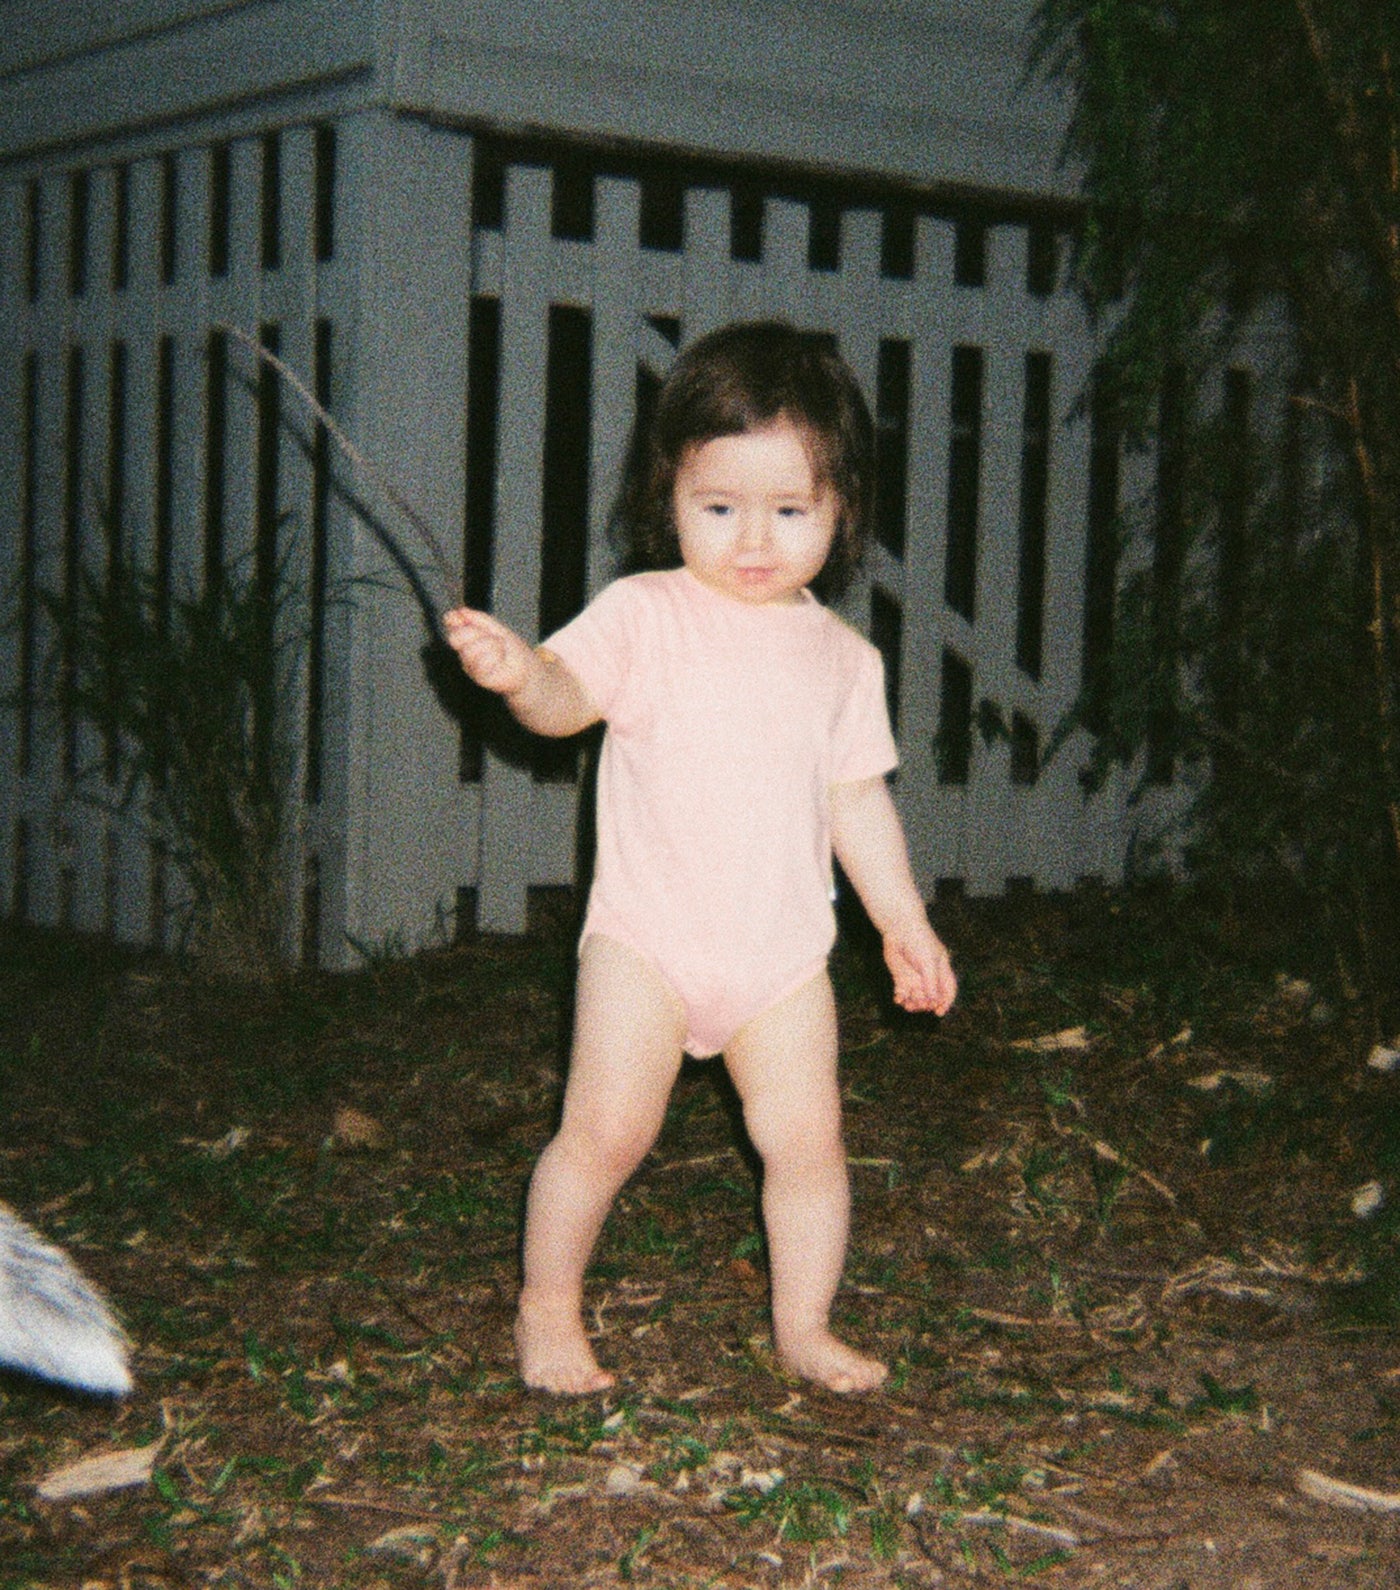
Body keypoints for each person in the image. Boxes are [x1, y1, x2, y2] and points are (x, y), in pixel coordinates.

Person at [444, 321, 956, 1396]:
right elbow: (564, 702)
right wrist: (522, 675)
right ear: (668, 491)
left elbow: (856, 800)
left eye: (790, 510)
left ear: (842, 510)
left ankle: (804, 1326)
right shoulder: (643, 614)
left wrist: (903, 921)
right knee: (604, 1132)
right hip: (648, 942)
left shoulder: (843, 660)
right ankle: (546, 1309)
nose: (752, 538)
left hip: (781, 957)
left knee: (808, 1143)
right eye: (718, 507)